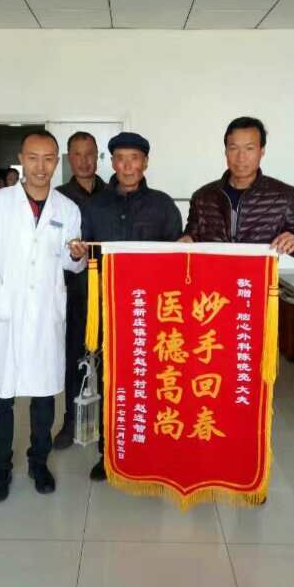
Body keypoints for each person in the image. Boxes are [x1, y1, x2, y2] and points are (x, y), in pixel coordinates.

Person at [0, 131, 85, 503]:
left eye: (48, 158)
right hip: (7, 313)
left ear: (57, 161)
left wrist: (77, 255)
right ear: (22, 159)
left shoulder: (66, 209)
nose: (40, 166)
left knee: (43, 396)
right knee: (1, 399)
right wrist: (0, 297)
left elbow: (71, 263)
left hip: (45, 317)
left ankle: (38, 463)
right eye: (33, 158)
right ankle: (0, 470)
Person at [69, 131, 183, 481]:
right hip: (109, 311)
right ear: (113, 163)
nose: (128, 166)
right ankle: (109, 453)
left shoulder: (163, 206)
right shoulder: (94, 206)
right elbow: (83, 254)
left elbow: (178, 262)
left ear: (145, 162)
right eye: (120, 158)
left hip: (154, 314)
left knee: (152, 382)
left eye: (135, 158)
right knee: (111, 381)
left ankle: (151, 451)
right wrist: (78, 251)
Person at [183, 116, 294, 259]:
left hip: (260, 272)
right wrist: (185, 242)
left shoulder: (283, 196)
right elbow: (191, 237)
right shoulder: (202, 197)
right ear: (226, 151)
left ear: (262, 151)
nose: (241, 157)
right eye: (233, 148)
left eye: (249, 148)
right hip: (212, 273)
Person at [54, 131, 106, 449]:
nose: (84, 161)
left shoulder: (113, 193)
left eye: (90, 154)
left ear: (97, 156)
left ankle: (108, 425)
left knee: (110, 361)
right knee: (73, 357)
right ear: (69, 157)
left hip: (108, 292)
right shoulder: (57, 198)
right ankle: (70, 421)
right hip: (71, 292)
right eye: (77, 154)